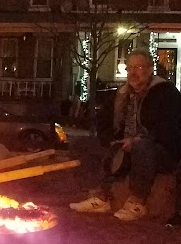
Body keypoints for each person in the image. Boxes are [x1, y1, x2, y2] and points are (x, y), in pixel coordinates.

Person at [70, 48, 181, 222]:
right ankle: (102, 198)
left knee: (142, 147)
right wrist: (111, 140)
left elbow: (170, 127)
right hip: (129, 146)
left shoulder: (166, 93)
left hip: (161, 149)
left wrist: (138, 139)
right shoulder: (121, 94)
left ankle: (137, 203)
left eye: (139, 67)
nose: (133, 72)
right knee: (112, 148)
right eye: (130, 68)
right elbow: (104, 120)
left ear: (150, 69)